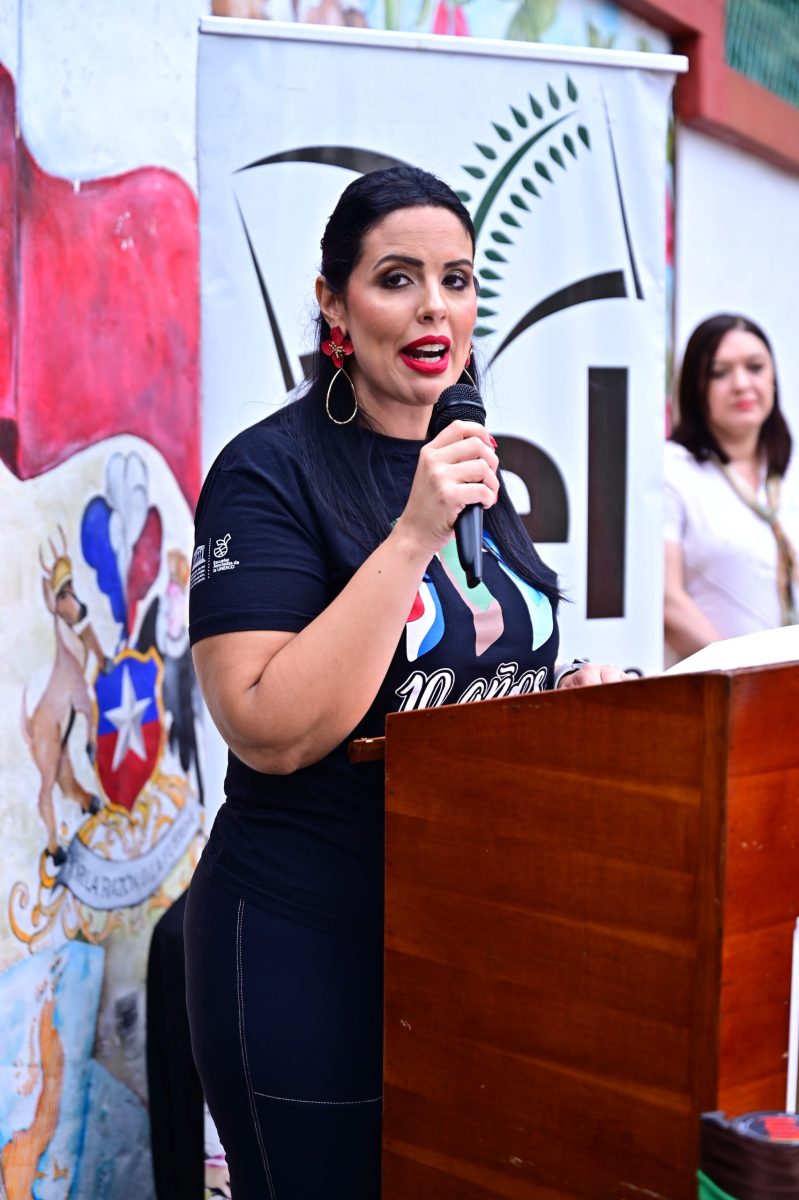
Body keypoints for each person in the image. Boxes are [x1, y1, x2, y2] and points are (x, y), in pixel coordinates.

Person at [183, 164, 627, 1200]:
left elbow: (477, 669)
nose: (436, 307)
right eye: (397, 278)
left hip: (464, 938)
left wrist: (573, 690)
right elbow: (265, 726)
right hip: (305, 939)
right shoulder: (266, 472)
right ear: (333, 304)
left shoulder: (471, 460)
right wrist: (414, 530)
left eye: (456, 280)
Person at [664, 313, 798, 665]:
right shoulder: (672, 470)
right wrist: (749, 674)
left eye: (755, 367)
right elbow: (667, 601)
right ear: (695, 388)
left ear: (773, 379)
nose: (741, 384)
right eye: (719, 372)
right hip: (718, 686)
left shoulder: (790, 471)